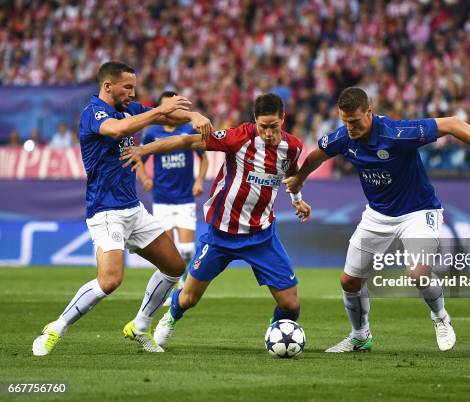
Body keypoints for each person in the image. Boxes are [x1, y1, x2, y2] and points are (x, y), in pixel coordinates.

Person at [284, 87, 470, 352]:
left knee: (418, 274)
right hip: (377, 215)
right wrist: (300, 178)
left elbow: (452, 124)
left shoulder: (397, 133)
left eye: (355, 121)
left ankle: (440, 317)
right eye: (345, 121)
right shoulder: (344, 136)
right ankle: (360, 336)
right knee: (349, 281)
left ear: (370, 112)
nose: (350, 128)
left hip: (419, 211)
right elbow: (317, 155)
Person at [32, 60, 213, 356]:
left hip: (133, 208)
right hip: (105, 211)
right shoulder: (94, 113)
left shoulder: (130, 108)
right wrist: (162, 110)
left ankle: (140, 326)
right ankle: (57, 327)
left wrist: (192, 114)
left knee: (174, 267)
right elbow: (118, 130)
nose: (132, 92)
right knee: (111, 280)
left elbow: (163, 116)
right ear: (108, 86)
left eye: (134, 87)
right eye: (127, 87)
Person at [119, 93, 311, 348]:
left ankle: (276, 335)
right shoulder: (238, 137)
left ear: (283, 119)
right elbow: (187, 141)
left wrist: (297, 198)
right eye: (263, 126)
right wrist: (145, 149)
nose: (267, 133)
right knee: (188, 298)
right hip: (222, 233)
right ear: (255, 120)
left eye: (273, 126)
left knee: (291, 305)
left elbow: (292, 172)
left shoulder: (293, 146)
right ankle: (171, 317)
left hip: (262, 236)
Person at [135, 91, 209, 303]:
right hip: (162, 199)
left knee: (186, 250)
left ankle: (183, 284)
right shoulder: (152, 133)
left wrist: (199, 181)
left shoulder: (188, 130)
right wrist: (144, 177)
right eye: (167, 107)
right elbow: (139, 157)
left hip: (185, 197)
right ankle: (170, 290)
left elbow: (204, 160)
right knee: (167, 253)